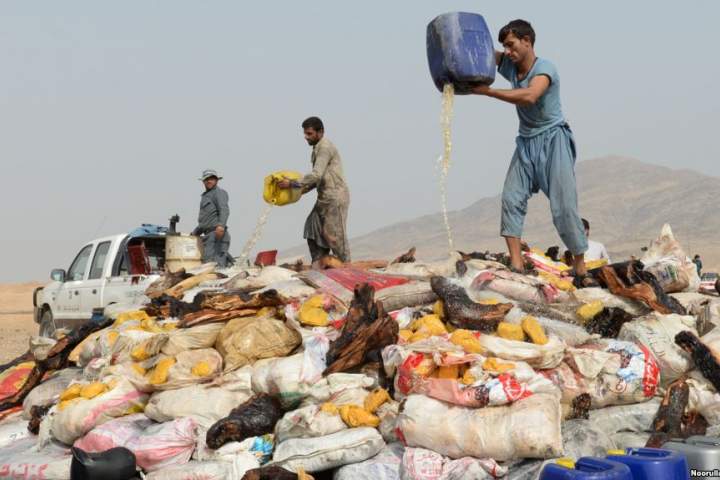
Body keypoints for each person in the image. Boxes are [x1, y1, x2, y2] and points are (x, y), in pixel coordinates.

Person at [471, 19, 595, 287]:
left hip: (553, 140)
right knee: (511, 197)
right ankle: (516, 263)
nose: (508, 51)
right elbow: (482, 55)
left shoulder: (544, 68)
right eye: (505, 46)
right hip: (526, 143)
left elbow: (530, 96)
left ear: (527, 41)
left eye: (512, 45)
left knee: (563, 206)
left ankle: (580, 265)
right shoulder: (510, 65)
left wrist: (489, 92)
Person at [278, 117, 351, 263]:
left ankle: (346, 266)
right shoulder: (316, 148)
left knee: (334, 235)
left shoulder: (324, 148)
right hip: (324, 196)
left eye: (310, 134)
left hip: (335, 197)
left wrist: (292, 183)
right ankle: (320, 263)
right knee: (313, 228)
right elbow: (320, 177)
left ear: (320, 132)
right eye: (305, 134)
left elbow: (316, 175)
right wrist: (303, 189)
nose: (306, 137)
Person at [192, 169, 233, 267]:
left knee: (214, 266)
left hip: (217, 234)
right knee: (208, 264)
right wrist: (194, 233)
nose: (209, 181)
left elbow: (224, 210)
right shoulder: (206, 196)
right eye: (206, 179)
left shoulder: (218, 193)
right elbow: (205, 221)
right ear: (203, 181)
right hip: (209, 236)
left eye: (212, 179)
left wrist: (221, 226)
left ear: (217, 180)